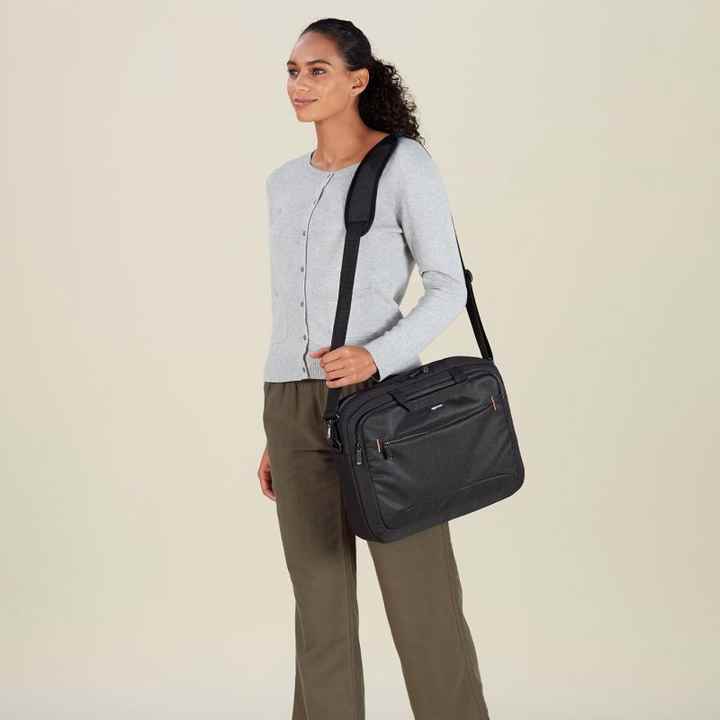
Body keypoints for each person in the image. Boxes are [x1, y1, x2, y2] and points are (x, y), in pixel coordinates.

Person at [258, 17, 492, 720]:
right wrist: (279, 429)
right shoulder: (282, 184)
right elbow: (292, 307)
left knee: (422, 601)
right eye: (293, 70)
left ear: (358, 80)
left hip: (383, 402)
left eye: (317, 70)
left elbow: (448, 285)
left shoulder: (403, 165)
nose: (299, 84)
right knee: (319, 607)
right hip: (292, 404)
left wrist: (377, 354)